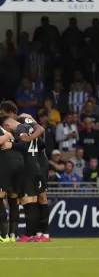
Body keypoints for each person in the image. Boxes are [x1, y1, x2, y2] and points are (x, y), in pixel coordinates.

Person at [0, 100, 50, 242]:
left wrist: (22, 141)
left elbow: (39, 131)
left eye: (3, 114)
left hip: (31, 165)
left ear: (10, 113)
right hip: (38, 162)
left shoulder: (23, 120)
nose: (1, 118)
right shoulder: (26, 126)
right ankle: (42, 234)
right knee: (39, 198)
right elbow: (42, 143)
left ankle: (32, 234)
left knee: (29, 199)